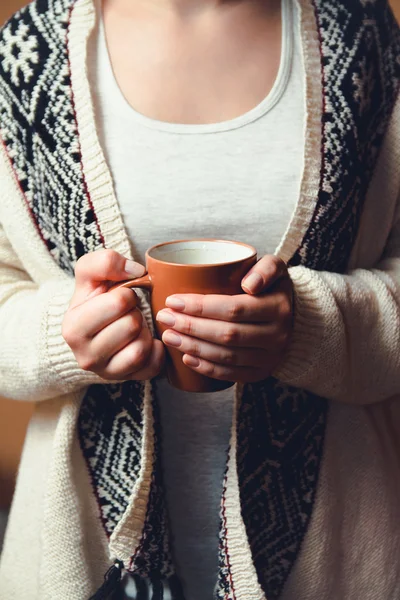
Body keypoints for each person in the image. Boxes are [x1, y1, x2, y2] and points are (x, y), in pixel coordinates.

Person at [0, 0, 400, 597]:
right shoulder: (24, 54)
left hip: (338, 554)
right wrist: (63, 333)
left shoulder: (366, 39)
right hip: (82, 557)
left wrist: (313, 327)